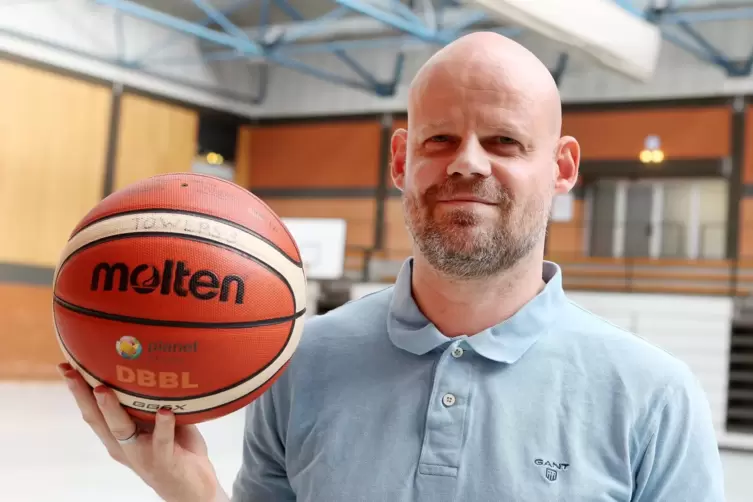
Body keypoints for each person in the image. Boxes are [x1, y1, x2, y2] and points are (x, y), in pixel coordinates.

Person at [57, 31, 725, 502]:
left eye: (503, 140)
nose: (467, 161)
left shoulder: (653, 398)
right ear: (401, 160)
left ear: (561, 168)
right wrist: (192, 492)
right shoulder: (297, 360)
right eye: (440, 139)